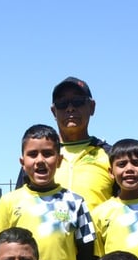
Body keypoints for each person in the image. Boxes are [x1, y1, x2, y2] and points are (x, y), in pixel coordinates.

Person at [0, 124, 96, 260]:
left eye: (47, 153)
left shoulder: (75, 202)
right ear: (22, 162)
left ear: (59, 160)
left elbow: (86, 256)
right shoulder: (9, 202)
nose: (40, 160)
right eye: (32, 154)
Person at [47, 76, 113, 211]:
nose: (70, 108)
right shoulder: (38, 157)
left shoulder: (111, 155)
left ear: (92, 107)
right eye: (62, 103)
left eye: (78, 101)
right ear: (54, 111)